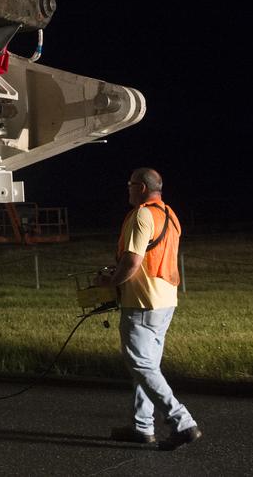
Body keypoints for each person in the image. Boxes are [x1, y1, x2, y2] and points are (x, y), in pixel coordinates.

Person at [98, 167, 201, 450]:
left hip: (142, 302)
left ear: (142, 187)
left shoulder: (142, 214)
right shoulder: (170, 214)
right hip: (166, 299)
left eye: (130, 184)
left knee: (140, 364)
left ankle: (182, 422)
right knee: (147, 366)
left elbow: (132, 262)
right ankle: (142, 427)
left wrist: (110, 283)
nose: (127, 189)